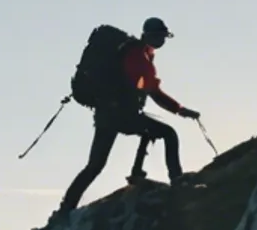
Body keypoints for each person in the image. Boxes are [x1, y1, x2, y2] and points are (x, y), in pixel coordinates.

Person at [58, 18, 199, 213]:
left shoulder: (137, 52)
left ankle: (66, 207)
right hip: (121, 114)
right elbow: (152, 91)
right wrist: (179, 109)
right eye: (160, 36)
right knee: (168, 133)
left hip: (107, 113)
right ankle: (176, 180)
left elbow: (144, 87)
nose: (162, 40)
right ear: (149, 35)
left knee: (95, 165)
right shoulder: (138, 55)